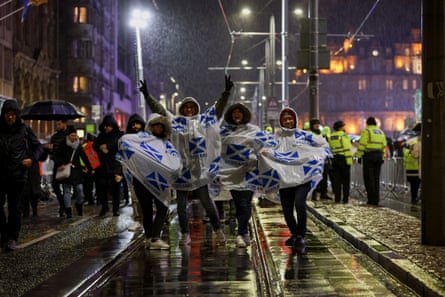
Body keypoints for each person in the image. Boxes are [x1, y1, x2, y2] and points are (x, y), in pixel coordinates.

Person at [139, 75, 233, 246]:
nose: (189, 110)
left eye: (192, 107)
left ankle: (218, 231)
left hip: (199, 172)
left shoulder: (203, 121)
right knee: (181, 207)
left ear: (195, 109)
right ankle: (184, 234)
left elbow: (217, 110)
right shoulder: (175, 122)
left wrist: (226, 93)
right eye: (186, 107)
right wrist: (147, 96)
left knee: (208, 203)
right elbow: (160, 110)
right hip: (181, 172)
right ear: (182, 109)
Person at [259, 107, 330, 249]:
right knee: (287, 209)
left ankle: (301, 235)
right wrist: (264, 154)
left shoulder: (305, 136)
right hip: (285, 180)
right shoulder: (277, 139)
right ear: (281, 122)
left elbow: (322, 144)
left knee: (299, 204)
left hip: (303, 179)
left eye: (290, 118)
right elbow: (266, 150)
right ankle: (294, 233)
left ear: (295, 120)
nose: (288, 121)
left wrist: (320, 155)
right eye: (285, 119)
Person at [118, 113, 181, 249]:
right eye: (155, 126)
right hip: (142, 181)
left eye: (160, 126)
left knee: (162, 208)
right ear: (150, 127)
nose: (158, 129)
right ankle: (150, 238)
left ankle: (155, 237)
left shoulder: (166, 144)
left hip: (160, 183)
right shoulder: (141, 141)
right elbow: (124, 141)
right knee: (146, 211)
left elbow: (174, 162)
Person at [0, 99, 44, 251]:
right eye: (7, 114)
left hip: (17, 175)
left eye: (13, 114)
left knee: (15, 207)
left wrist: (31, 159)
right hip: (1, 174)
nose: (10, 117)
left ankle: (12, 237)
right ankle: (4, 235)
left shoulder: (24, 130)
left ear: (16, 115)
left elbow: (38, 147)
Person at [218, 103, 262, 248]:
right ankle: (242, 233)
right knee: (240, 204)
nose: (237, 115)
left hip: (250, 173)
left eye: (239, 112)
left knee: (246, 203)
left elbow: (262, 148)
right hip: (232, 174)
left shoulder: (254, 131)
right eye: (234, 112)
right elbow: (217, 149)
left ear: (244, 114)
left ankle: (242, 233)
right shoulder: (223, 132)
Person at [54, 126, 92, 218]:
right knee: (67, 191)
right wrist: (60, 164)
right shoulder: (62, 144)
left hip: (77, 171)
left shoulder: (78, 145)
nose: (74, 137)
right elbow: (56, 156)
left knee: (79, 190)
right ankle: (68, 211)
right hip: (66, 171)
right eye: (72, 135)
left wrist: (90, 168)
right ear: (68, 136)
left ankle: (79, 204)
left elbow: (84, 157)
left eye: (75, 135)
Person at [93, 114, 124, 216]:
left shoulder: (119, 134)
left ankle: (116, 208)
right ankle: (105, 207)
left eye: (108, 125)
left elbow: (120, 145)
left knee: (116, 188)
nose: (106, 128)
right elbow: (95, 145)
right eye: (105, 125)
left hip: (115, 165)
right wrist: (100, 147)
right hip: (102, 166)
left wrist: (108, 147)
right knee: (102, 187)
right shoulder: (101, 135)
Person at [357, 117, 387, 206]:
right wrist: (382, 157)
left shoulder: (366, 131)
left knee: (368, 178)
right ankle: (376, 199)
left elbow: (362, 144)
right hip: (378, 156)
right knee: (376, 178)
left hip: (369, 156)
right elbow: (384, 146)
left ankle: (371, 199)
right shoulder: (381, 132)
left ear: (367, 123)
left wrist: (359, 156)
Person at [124, 113, 146, 229]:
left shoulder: (147, 137)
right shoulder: (126, 139)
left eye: (138, 123)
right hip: (132, 172)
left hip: (146, 172)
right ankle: (138, 220)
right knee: (135, 197)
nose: (135, 126)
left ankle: (148, 220)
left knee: (147, 197)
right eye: (133, 124)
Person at [49, 120, 71, 217]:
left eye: (59, 124)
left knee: (67, 187)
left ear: (64, 123)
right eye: (56, 124)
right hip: (57, 164)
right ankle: (62, 204)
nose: (57, 126)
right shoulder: (54, 137)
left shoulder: (69, 135)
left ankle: (67, 207)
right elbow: (52, 152)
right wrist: (50, 149)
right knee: (55, 185)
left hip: (67, 164)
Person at [328, 121, 353, 203]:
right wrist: (349, 161)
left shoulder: (331, 136)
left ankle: (337, 198)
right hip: (343, 159)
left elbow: (330, 149)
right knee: (346, 181)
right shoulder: (343, 136)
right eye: (343, 126)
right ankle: (345, 199)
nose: (344, 128)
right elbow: (347, 149)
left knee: (336, 181)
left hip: (334, 159)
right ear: (340, 127)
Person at [310, 118, 332, 200]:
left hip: (323, 159)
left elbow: (326, 145)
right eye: (315, 124)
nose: (317, 125)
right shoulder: (310, 134)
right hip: (315, 159)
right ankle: (314, 194)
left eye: (318, 124)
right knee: (315, 177)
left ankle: (324, 193)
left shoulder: (322, 134)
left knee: (324, 177)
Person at [403, 122, 421, 204]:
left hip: (413, 168)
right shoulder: (417, 141)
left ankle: (414, 198)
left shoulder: (413, 142)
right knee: (416, 184)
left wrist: (411, 150)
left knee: (414, 185)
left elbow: (415, 154)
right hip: (416, 168)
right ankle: (417, 198)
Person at [82, 133, 99, 205]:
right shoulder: (97, 146)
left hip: (87, 168)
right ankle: (99, 199)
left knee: (88, 186)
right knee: (98, 185)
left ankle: (90, 200)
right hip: (97, 168)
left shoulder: (83, 147)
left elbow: (81, 158)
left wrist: (84, 167)